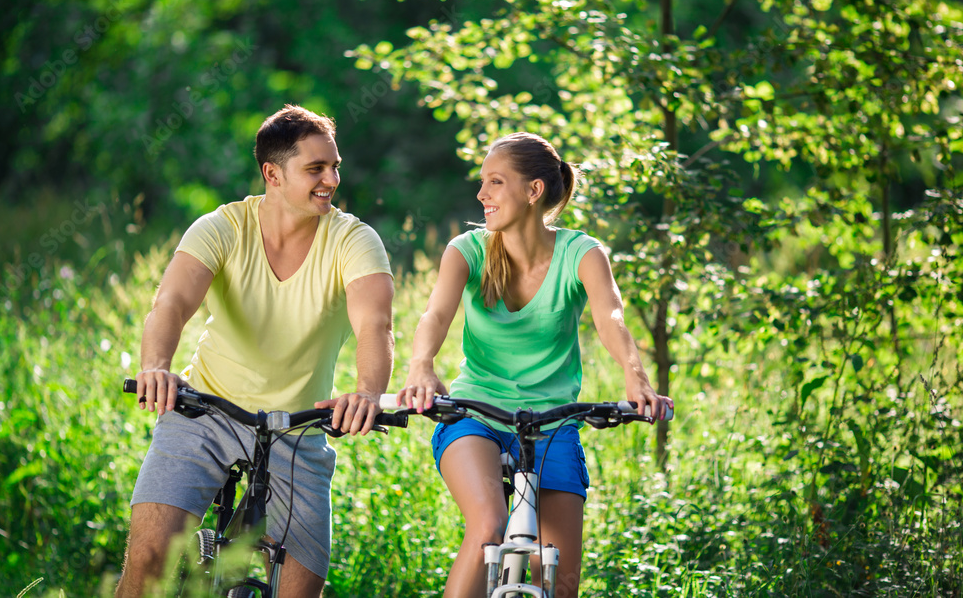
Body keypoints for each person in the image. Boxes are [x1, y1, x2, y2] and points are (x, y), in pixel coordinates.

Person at [115, 104, 394, 598]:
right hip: (205, 410)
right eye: (315, 169)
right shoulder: (222, 227)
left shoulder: (353, 238)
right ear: (273, 173)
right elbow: (172, 303)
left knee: (299, 590)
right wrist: (156, 367)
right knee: (149, 561)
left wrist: (368, 392)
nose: (331, 178)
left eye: (335, 166)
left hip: (298, 427)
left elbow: (375, 325)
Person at [396, 132, 670, 598]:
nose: (481, 194)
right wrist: (421, 365)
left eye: (495, 182)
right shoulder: (468, 251)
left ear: (533, 190)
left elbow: (611, 315)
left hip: (553, 423)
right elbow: (435, 314)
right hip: (475, 415)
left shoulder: (582, 253)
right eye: (482, 183)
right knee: (488, 524)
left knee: (560, 581)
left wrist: (635, 375)